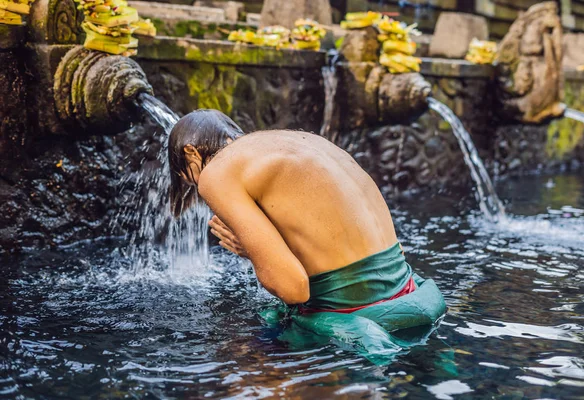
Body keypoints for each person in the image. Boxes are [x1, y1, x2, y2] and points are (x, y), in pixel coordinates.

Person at [168, 109, 446, 358]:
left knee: (233, 366)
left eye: (187, 178)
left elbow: (294, 289)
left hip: (360, 315)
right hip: (412, 294)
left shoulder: (216, 172)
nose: (196, 186)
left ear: (191, 152)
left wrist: (251, 249)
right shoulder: (294, 142)